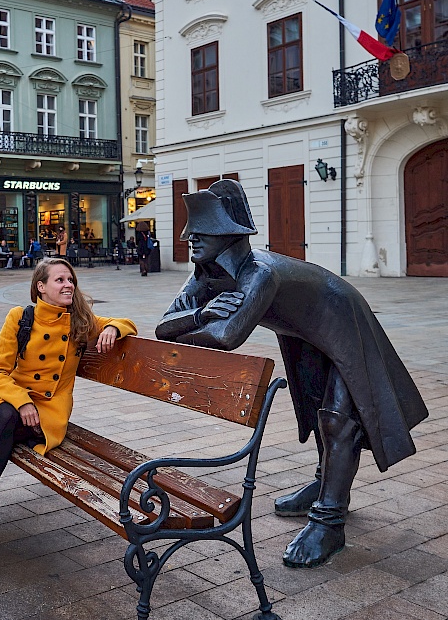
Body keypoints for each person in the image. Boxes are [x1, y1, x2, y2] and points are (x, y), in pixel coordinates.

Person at [155, 179, 428, 569]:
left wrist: (204, 323)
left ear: (229, 234)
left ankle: (329, 520)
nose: (190, 238)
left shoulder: (260, 272)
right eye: (191, 231)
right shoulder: (204, 273)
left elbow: (228, 336)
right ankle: (324, 482)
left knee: (338, 419)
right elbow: (164, 326)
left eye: (202, 231)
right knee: (316, 404)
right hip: (303, 332)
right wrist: (201, 313)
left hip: (341, 319)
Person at [0, 258, 137, 542]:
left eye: (70, 280)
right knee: (6, 416)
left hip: (47, 415)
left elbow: (127, 322)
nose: (68, 284)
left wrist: (112, 329)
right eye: (60, 280)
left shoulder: (80, 321)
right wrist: (23, 401)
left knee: (3, 428)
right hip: (12, 402)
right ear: (40, 287)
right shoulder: (20, 317)